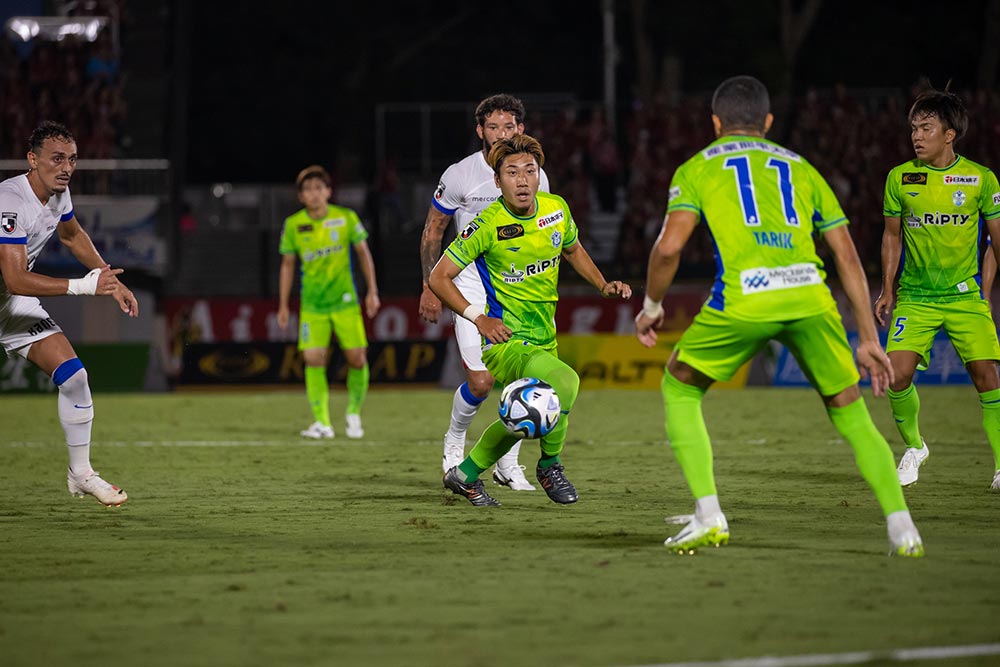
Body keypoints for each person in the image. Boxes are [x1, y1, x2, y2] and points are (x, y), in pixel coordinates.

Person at [634, 76, 924, 556]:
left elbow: (668, 250)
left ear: (715, 123)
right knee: (850, 410)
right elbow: (847, 255)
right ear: (767, 122)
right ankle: (903, 529)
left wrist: (651, 307)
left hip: (744, 299)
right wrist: (869, 338)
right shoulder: (802, 167)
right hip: (810, 298)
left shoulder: (697, 167)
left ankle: (709, 514)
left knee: (680, 385)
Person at [429, 134, 631, 506]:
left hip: (543, 337)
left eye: (529, 171)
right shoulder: (486, 225)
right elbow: (439, 277)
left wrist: (603, 285)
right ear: (497, 180)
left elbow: (573, 249)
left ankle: (465, 474)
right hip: (506, 341)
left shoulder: (556, 209)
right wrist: (479, 318)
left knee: (526, 415)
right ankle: (549, 466)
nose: (522, 180)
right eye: (512, 173)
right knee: (565, 384)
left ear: (539, 176)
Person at [0, 120, 137, 506]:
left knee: (75, 378)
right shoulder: (10, 201)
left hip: (10, 306)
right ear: (32, 159)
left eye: (72, 160)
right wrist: (81, 286)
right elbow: (15, 278)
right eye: (57, 158)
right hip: (13, 291)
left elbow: (72, 235)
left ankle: (81, 474)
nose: (66, 168)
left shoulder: (59, 193)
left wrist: (110, 281)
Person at [419, 94, 552, 491]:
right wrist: (429, 285)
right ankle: (454, 441)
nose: (500, 134)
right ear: (480, 131)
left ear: (520, 129)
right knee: (480, 382)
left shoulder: (535, 174)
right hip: (470, 287)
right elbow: (433, 231)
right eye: (492, 127)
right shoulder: (461, 175)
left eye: (508, 127)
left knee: (521, 379)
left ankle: (507, 464)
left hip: (517, 289)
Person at [874, 88, 1000, 490]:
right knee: (896, 376)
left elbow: (996, 242)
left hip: (965, 297)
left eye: (926, 128)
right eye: (914, 128)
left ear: (949, 134)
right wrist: (887, 289)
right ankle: (915, 447)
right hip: (916, 297)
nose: (917, 135)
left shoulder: (981, 179)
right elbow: (891, 237)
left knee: (987, 378)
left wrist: (986, 293)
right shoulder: (900, 177)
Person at [277, 165, 380, 439]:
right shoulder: (293, 225)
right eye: (307, 189)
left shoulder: (345, 218)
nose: (314, 193)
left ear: (328, 191)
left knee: (357, 358)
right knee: (313, 358)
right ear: (301, 196)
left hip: (345, 302)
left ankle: (353, 412)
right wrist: (283, 304)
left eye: (318, 188)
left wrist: (372, 291)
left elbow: (363, 253)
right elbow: (287, 265)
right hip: (312, 306)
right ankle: (322, 422)